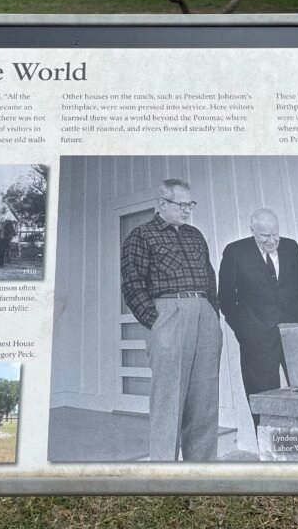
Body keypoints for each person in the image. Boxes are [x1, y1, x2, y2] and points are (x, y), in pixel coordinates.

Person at [121, 178, 222, 461]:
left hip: (204, 313)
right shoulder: (141, 235)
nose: (188, 210)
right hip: (168, 314)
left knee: (204, 399)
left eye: (190, 204)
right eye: (182, 204)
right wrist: (155, 322)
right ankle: (164, 472)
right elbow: (132, 284)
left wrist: (212, 312)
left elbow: (210, 278)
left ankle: (201, 472)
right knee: (168, 399)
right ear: (163, 203)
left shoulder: (195, 235)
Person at [218, 209, 298, 429]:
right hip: (257, 339)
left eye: (275, 234)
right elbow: (225, 297)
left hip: (294, 333)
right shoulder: (235, 252)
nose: (272, 241)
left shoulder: (291, 247)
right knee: (263, 400)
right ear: (252, 231)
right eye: (264, 236)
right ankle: (268, 452)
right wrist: (244, 331)